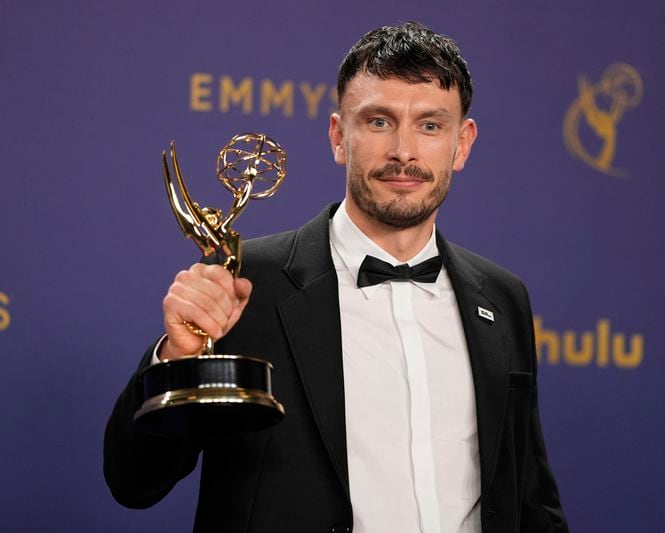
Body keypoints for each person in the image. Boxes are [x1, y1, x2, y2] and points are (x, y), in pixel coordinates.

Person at [104, 21, 569, 533]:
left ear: (463, 144)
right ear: (338, 136)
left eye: (431, 126)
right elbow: (133, 481)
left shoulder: (502, 299)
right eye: (378, 121)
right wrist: (176, 360)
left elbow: (530, 499)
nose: (404, 151)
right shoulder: (245, 285)